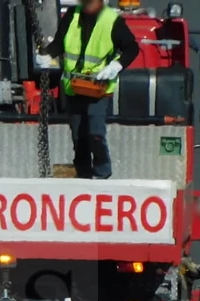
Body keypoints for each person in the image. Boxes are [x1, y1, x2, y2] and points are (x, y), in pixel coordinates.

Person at [44, 0, 140, 179]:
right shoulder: (72, 16)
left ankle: (102, 171)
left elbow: (131, 48)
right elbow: (59, 43)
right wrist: (46, 55)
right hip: (74, 87)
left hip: (97, 88)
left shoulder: (112, 20)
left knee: (94, 133)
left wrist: (115, 66)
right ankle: (83, 174)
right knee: (78, 136)